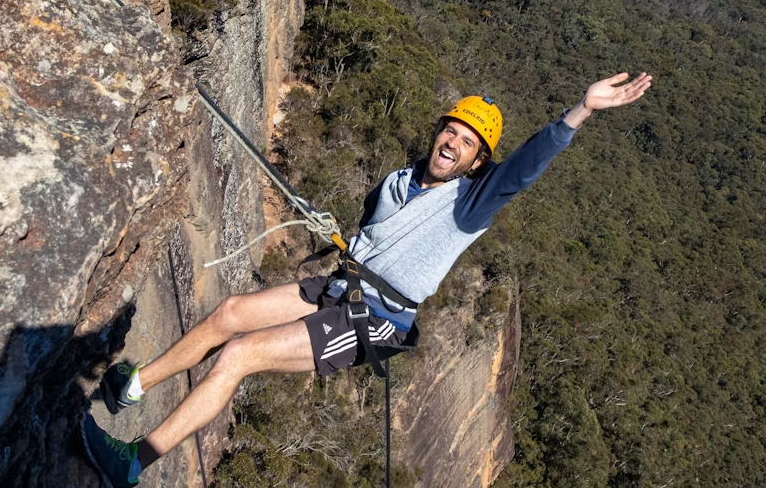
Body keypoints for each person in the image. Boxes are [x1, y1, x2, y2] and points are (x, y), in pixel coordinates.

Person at [80, 72, 652, 487]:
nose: (452, 143)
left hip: (373, 319)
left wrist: (579, 111)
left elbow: (522, 171)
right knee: (229, 313)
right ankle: (134, 386)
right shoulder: (400, 180)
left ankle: (133, 462)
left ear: (478, 162)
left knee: (239, 355)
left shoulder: (469, 203)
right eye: (451, 130)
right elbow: (372, 233)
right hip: (342, 285)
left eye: (467, 142)